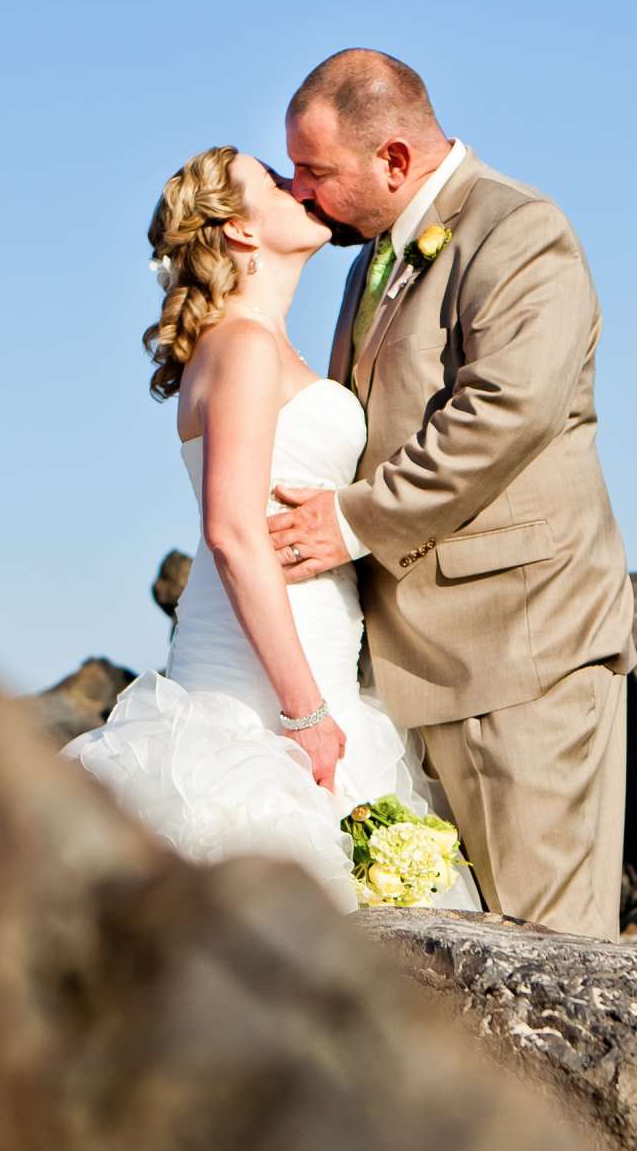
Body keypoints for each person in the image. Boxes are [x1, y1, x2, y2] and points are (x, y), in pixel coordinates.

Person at [266, 50, 636, 937]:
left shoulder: (521, 232)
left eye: (316, 172)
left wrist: (351, 522)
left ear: (394, 159)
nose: (301, 193)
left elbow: (507, 411)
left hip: (521, 657)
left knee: (554, 961)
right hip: (407, 672)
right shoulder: (367, 263)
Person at [64, 145, 477, 914]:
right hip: (261, 703)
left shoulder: (264, 346)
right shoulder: (245, 347)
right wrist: (306, 713)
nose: (302, 189)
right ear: (240, 234)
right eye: (277, 184)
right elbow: (230, 531)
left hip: (315, 670)